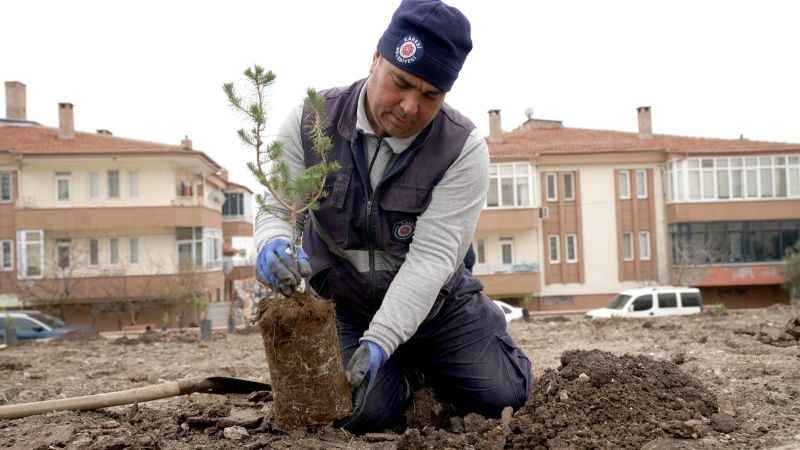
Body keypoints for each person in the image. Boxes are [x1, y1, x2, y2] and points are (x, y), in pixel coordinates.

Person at [255, 0, 531, 432]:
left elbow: (431, 261)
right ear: (375, 60)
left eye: (429, 95)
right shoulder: (312, 122)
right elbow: (277, 206)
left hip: (441, 310)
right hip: (346, 305)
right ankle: (405, 382)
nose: (408, 107)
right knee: (361, 411)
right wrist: (272, 242)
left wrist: (383, 339)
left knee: (504, 396)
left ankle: (425, 358)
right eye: (400, 83)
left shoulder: (462, 151)